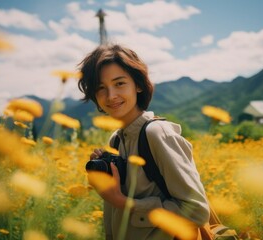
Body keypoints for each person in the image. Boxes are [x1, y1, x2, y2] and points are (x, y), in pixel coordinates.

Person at [78, 44, 209, 240]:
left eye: (119, 83)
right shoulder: (116, 139)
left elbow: (197, 211)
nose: (111, 95)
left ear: (138, 85)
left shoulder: (156, 133)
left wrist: (125, 203)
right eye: (101, 88)